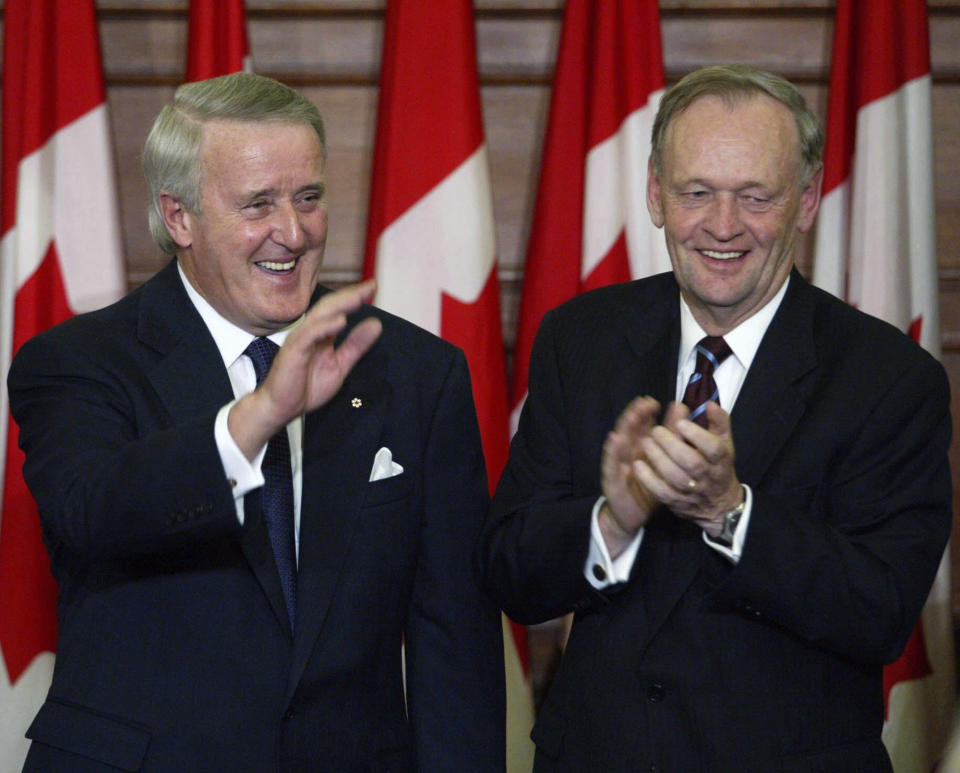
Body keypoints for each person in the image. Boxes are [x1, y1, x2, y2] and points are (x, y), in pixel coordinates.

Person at [9, 72, 504, 772]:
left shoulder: (413, 373)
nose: (294, 233)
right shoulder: (77, 364)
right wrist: (259, 415)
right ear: (178, 217)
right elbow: (95, 509)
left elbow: (453, 639)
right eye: (258, 204)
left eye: (308, 198)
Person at [480, 64, 952, 772]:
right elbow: (509, 572)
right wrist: (613, 519)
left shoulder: (890, 377)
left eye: (754, 196)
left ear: (807, 198)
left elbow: (882, 610)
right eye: (696, 192)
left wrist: (731, 514)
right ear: (654, 194)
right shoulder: (580, 341)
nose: (723, 227)